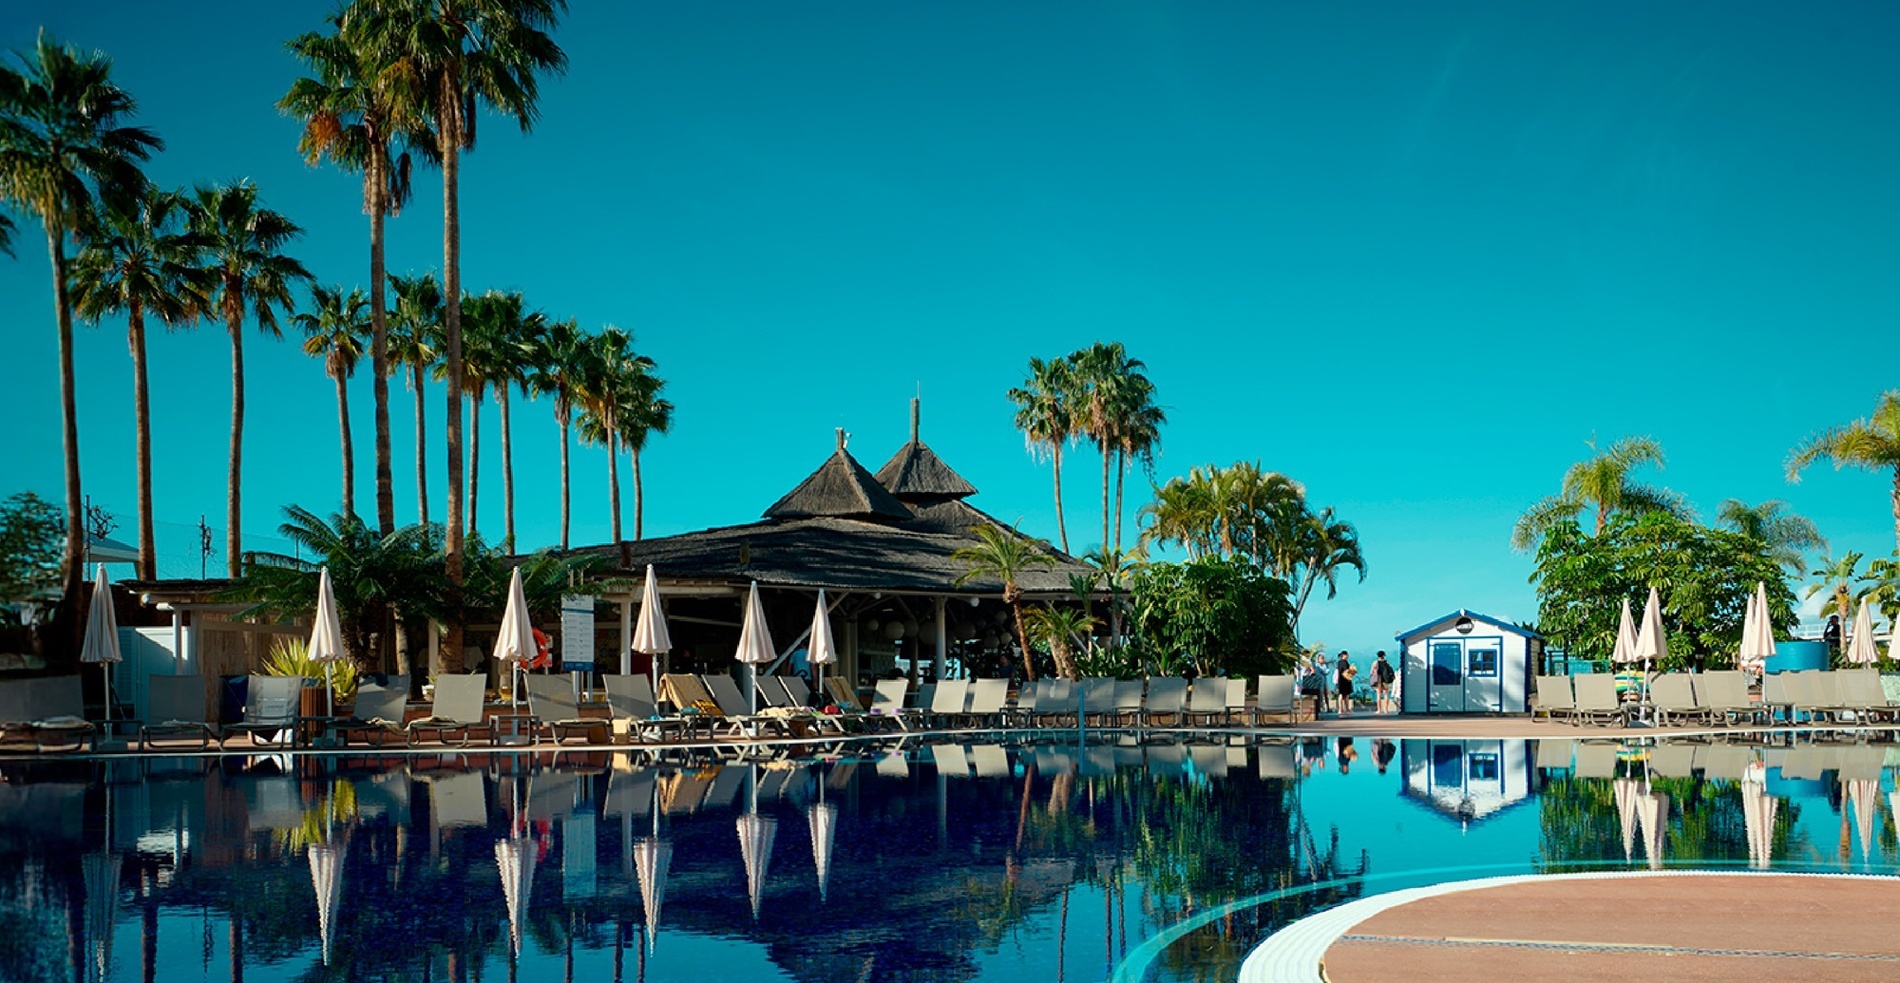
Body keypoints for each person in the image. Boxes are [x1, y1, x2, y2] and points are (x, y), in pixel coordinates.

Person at [1335, 651, 1356, 717]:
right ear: (1343, 655)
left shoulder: (1339, 662)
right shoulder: (1344, 662)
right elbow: (1346, 671)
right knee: (1345, 695)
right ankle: (1346, 709)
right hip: (1345, 680)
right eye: (1346, 655)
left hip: (1341, 680)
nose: (1347, 656)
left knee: (1342, 695)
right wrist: (1352, 670)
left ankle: (1341, 709)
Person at [1311, 651, 1332, 716]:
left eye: (1323, 658)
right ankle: (1319, 708)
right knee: (1319, 695)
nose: (1322, 660)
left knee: (1326, 694)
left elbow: (1326, 672)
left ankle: (1328, 707)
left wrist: (1324, 671)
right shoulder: (1316, 666)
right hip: (1319, 682)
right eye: (1321, 658)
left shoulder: (1325, 665)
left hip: (1324, 681)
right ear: (1318, 659)